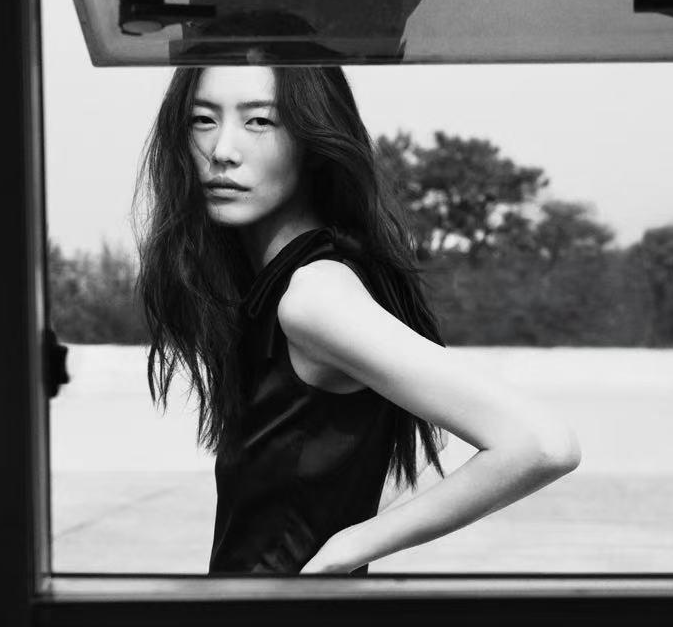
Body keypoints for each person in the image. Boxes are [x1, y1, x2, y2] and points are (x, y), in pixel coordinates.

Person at [133, 58, 581, 576]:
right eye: (203, 119)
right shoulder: (293, 285)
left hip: (275, 621)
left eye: (259, 121)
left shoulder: (314, 295)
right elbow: (399, 455)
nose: (222, 150)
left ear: (312, 137)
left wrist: (347, 548)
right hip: (257, 618)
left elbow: (541, 443)